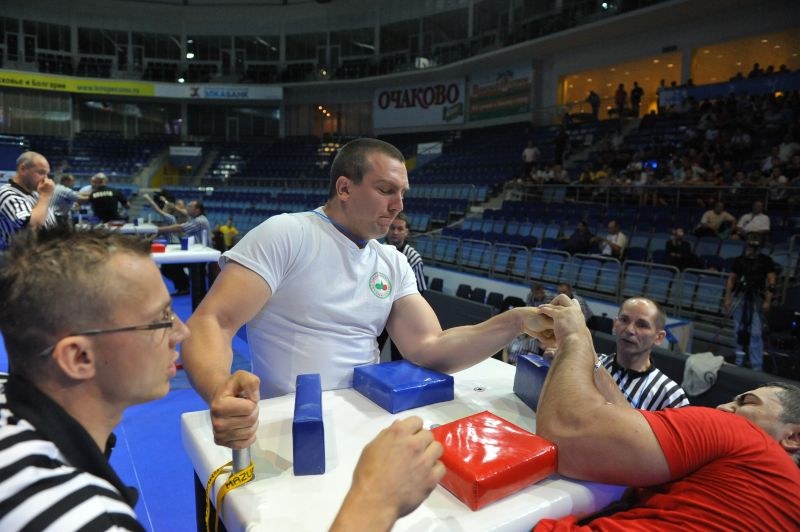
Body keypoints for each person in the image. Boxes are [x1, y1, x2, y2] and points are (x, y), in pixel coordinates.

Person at [0, 227, 445, 531]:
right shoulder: (79, 517)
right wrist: (376, 501)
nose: (181, 331)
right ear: (78, 357)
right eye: (158, 321)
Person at [181, 138, 553, 449]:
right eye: (385, 190)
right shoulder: (287, 234)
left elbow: (429, 346)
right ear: (344, 188)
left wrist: (515, 321)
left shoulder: (391, 261)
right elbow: (212, 321)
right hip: (287, 428)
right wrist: (220, 389)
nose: (398, 206)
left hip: (366, 421)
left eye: (402, 193)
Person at [531, 295, 800, 530]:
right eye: (624, 320)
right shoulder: (781, 496)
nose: (723, 407)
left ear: (794, 438)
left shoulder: (698, 410)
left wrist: (575, 337)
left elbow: (566, 433)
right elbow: (629, 424)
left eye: (747, 402)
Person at [594, 297, 689, 410]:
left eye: (642, 325)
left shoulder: (670, 395)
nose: (629, 330)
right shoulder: (591, 365)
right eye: (624, 320)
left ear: (659, 337)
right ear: (615, 324)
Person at [724, 236, 777, 372]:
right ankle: (739, 360)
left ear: (757, 248)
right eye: (748, 247)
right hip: (740, 296)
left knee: (755, 333)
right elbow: (731, 279)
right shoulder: (740, 260)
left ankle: (756, 366)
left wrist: (767, 300)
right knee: (738, 331)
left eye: (752, 248)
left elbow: (771, 281)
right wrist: (728, 297)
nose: (749, 250)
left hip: (757, 297)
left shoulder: (765, 261)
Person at [378, 212, 426, 360]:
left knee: (399, 355)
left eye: (400, 229)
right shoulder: (378, 250)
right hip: (379, 312)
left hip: (401, 315)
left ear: (406, 232)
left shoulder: (413, 258)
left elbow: (420, 293)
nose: (395, 232)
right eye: (392, 228)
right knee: (373, 349)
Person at [0, 151, 56, 251]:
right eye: (41, 173)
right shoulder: (7, 194)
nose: (45, 179)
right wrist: (45, 196)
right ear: (23, 169)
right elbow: (32, 227)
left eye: (47, 174)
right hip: (21, 261)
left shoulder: (36, 194)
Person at [156, 200, 212, 296]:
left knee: (169, 265)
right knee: (167, 266)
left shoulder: (200, 221)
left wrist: (158, 230)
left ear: (197, 210)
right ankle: (184, 285)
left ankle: (184, 286)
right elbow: (182, 227)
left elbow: (180, 228)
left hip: (200, 256)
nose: (187, 208)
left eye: (189, 206)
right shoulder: (194, 219)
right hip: (195, 252)